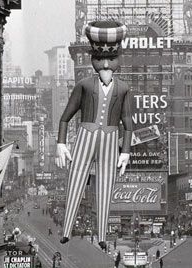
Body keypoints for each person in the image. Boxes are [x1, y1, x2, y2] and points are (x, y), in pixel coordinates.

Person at [55, 21, 133, 245]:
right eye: (100, 59)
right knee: (76, 178)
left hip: (110, 137)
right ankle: (66, 230)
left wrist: (125, 151)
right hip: (86, 135)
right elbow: (65, 116)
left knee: (106, 184)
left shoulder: (123, 88)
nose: (106, 64)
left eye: (111, 59)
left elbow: (127, 123)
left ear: (118, 59)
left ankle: (102, 235)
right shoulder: (84, 85)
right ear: (94, 59)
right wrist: (61, 143)